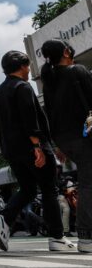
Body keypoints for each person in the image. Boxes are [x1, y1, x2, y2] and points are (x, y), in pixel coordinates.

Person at [0, 50, 75, 252]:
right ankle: (57, 237)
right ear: (22, 66)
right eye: (27, 66)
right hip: (32, 147)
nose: (28, 70)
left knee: (28, 189)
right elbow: (30, 117)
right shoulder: (23, 87)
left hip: (11, 150)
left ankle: (4, 219)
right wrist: (37, 146)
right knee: (49, 189)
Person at [40, 39, 92, 253]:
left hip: (64, 140)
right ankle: (86, 236)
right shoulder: (77, 71)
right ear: (66, 52)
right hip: (85, 135)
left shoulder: (49, 81)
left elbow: (49, 115)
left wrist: (58, 145)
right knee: (89, 184)